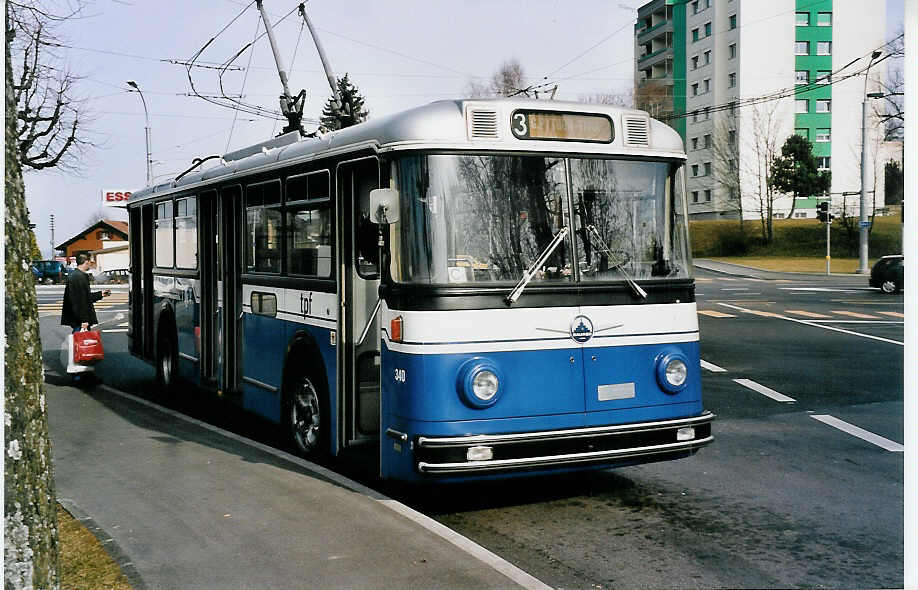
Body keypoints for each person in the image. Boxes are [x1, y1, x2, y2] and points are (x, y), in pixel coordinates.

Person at [61, 253, 111, 333]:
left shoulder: (77, 275)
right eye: (90, 262)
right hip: (80, 320)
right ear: (86, 262)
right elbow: (79, 302)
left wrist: (100, 294)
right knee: (81, 342)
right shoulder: (79, 277)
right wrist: (83, 320)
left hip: (78, 319)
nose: (90, 264)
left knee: (80, 342)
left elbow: (84, 297)